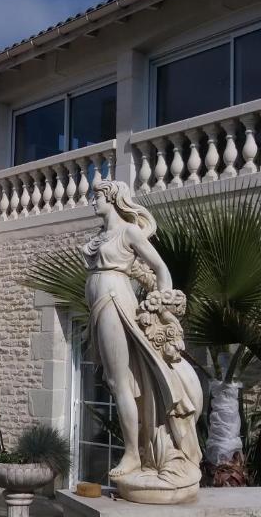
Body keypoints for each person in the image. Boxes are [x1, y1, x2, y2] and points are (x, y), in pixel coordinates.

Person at [82, 180, 202, 501]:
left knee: (121, 381)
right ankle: (136, 450)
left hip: (114, 301)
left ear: (111, 197)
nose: (92, 201)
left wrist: (160, 304)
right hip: (98, 305)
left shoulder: (129, 232)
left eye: (96, 196)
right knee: (113, 379)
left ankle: (132, 453)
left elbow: (161, 269)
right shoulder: (100, 236)